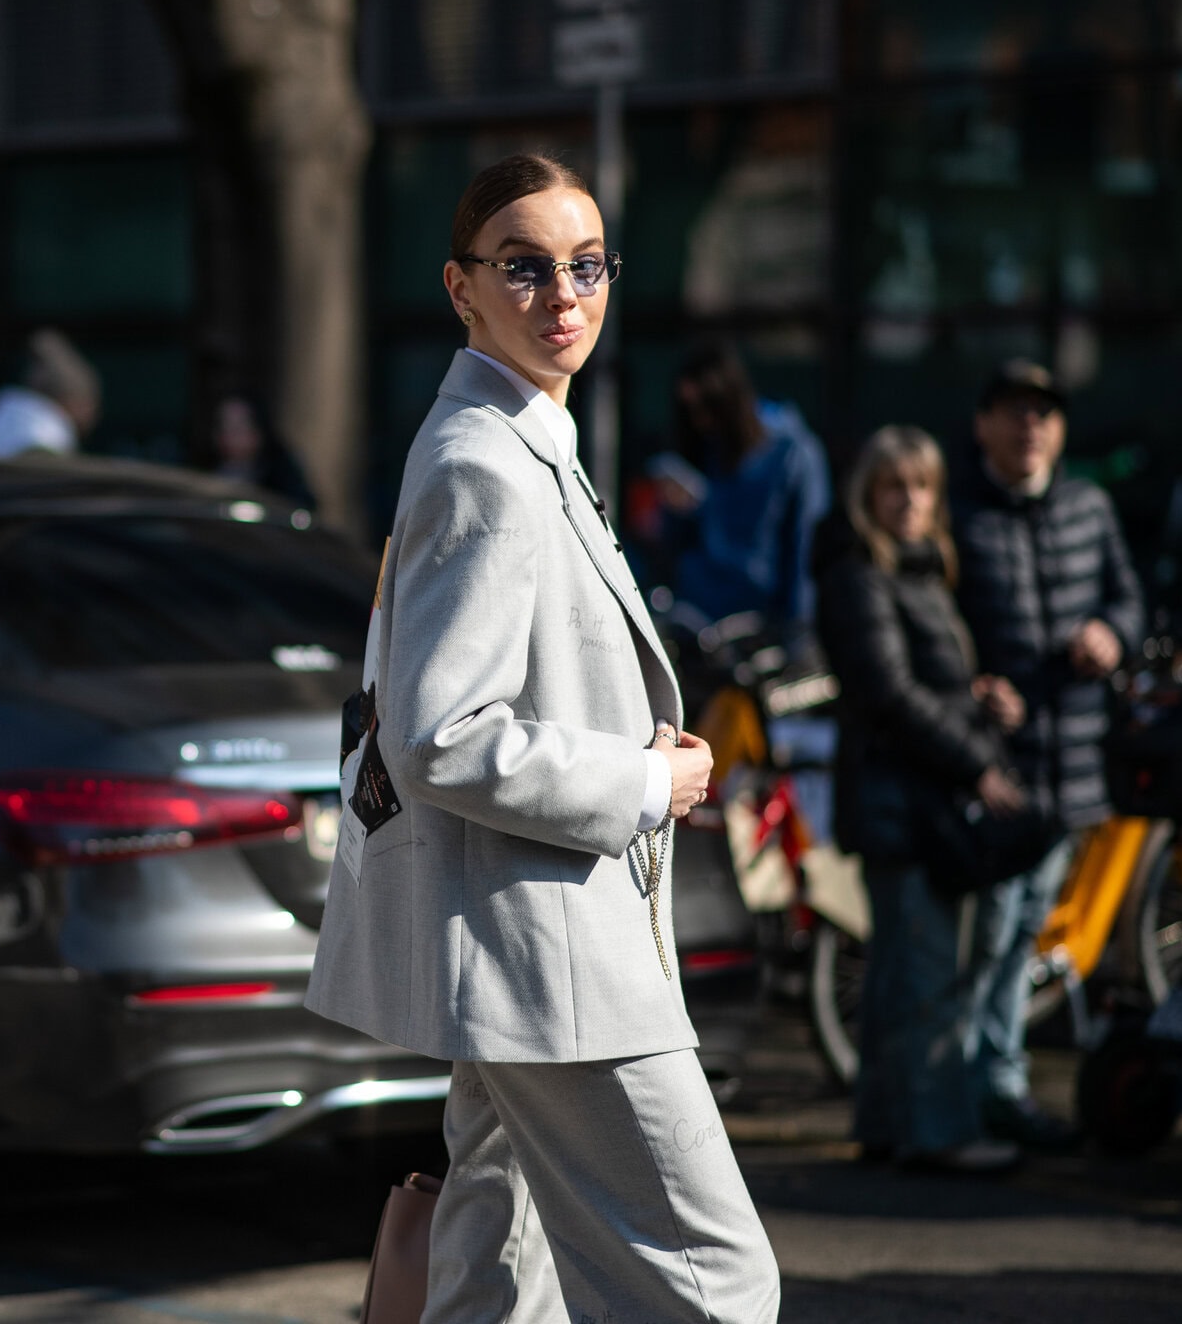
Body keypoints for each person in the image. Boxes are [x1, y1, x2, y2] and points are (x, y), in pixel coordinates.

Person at [306, 153, 779, 1322]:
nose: (563, 293)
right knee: (716, 1284)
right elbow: (441, 735)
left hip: (523, 947)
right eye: (523, 266)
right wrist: (644, 777)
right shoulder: (485, 463)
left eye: (586, 264)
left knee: (500, 1269)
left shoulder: (519, 439)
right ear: (462, 287)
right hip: (551, 954)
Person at [814, 425, 1027, 1173]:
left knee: (899, 980)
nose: (909, 501)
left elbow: (915, 684)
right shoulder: (859, 572)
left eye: (923, 486)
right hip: (902, 807)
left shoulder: (918, 568)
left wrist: (977, 697)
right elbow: (890, 696)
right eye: (893, 486)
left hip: (911, 799)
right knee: (927, 981)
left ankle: (888, 1126)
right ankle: (939, 1136)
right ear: (868, 495)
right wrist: (978, 763)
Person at [954, 358, 1144, 1150]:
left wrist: (1114, 634)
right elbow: (938, 634)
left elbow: (1128, 598)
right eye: (1015, 412)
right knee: (992, 933)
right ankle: (977, 1089)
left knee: (1027, 930)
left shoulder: (1089, 507)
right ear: (984, 425)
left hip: (1075, 759)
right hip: (1000, 770)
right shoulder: (961, 520)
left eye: (1045, 413)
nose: (1031, 427)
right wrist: (971, 687)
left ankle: (996, 1081)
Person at [655, 337, 830, 639]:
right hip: (697, 622)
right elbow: (679, 547)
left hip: (762, 627)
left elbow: (806, 549)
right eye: (690, 409)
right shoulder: (702, 449)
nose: (700, 420)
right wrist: (678, 512)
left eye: (707, 407)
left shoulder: (793, 453)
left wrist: (799, 632)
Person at [0, 328, 101, 457]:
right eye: (89, 405)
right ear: (72, 400)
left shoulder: (9, 416)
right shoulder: (42, 439)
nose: (91, 415)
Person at [208, 394, 316, 510]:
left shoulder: (281, 475)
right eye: (223, 427)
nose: (228, 436)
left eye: (237, 429)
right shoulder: (205, 469)